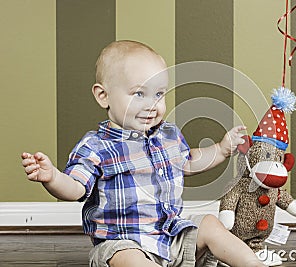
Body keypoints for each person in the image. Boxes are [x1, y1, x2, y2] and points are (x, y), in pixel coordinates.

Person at [21, 40, 266, 267]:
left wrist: (221, 149)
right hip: (123, 242)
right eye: (139, 94)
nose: (152, 105)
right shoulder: (96, 146)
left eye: (159, 94)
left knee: (210, 225)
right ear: (103, 95)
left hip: (171, 235)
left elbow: (188, 162)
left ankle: (253, 264)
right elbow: (76, 188)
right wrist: (52, 178)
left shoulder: (167, 134)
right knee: (129, 258)